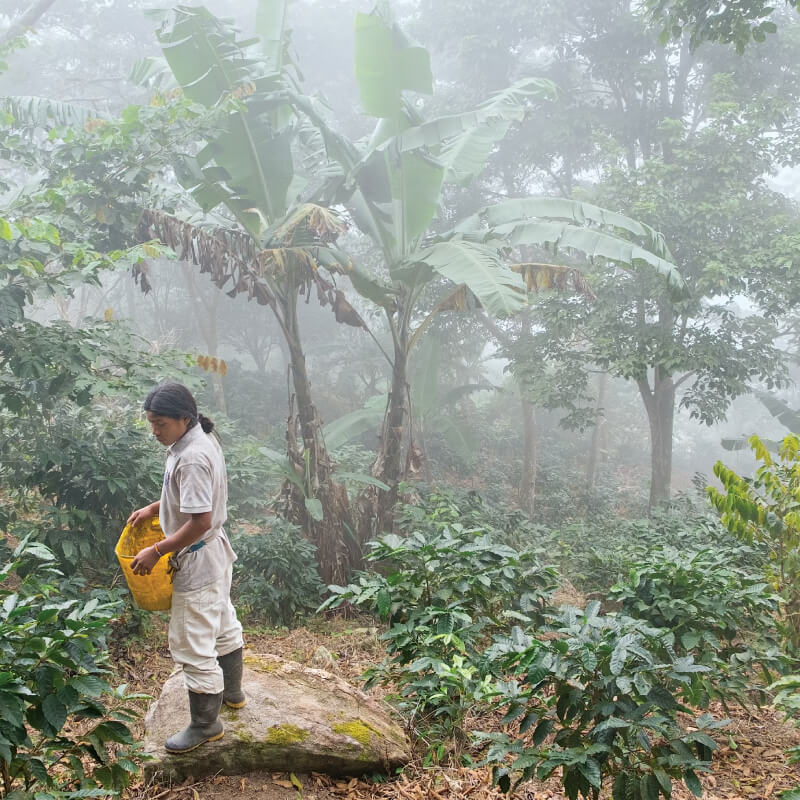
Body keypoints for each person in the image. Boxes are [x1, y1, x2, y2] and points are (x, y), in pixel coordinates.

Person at [128, 381, 245, 754]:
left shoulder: (192, 455)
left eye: (160, 424)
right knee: (222, 622)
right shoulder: (196, 440)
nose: (154, 431)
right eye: (150, 423)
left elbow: (198, 520)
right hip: (214, 555)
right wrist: (153, 508)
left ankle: (206, 724)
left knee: (191, 642)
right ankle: (234, 693)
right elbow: (186, 498)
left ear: (183, 418)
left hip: (197, 556)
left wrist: (157, 550)